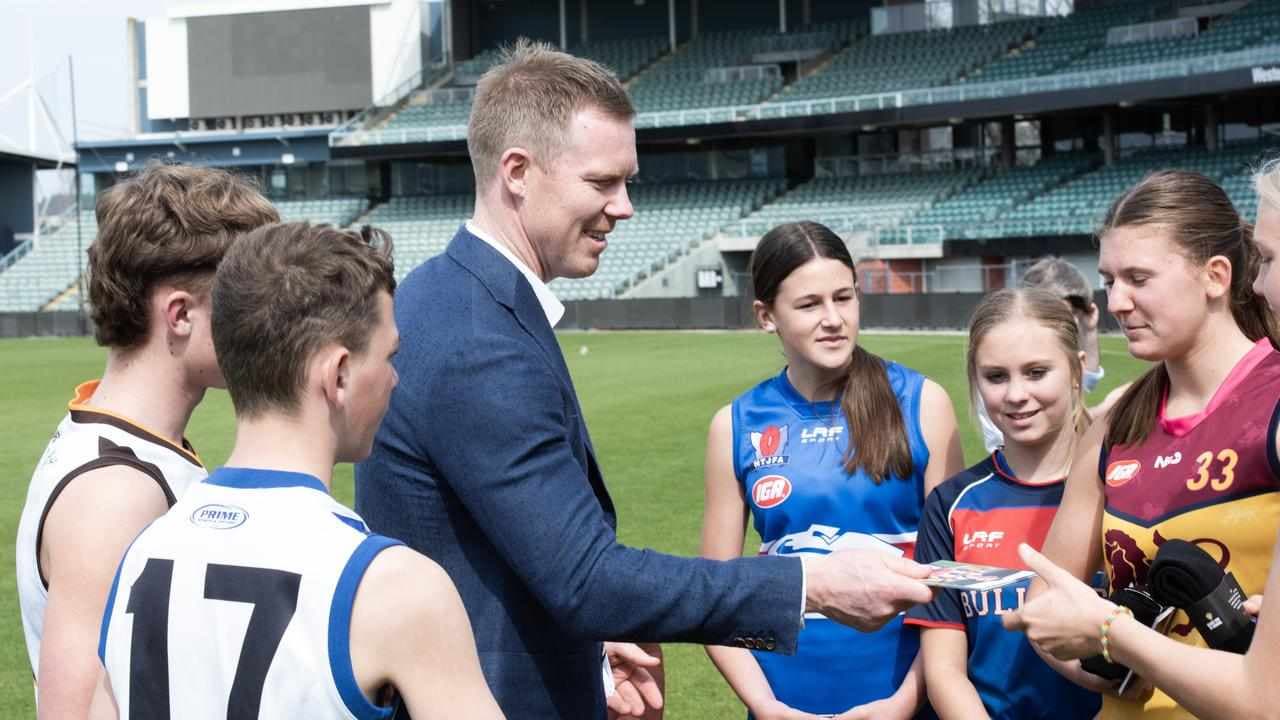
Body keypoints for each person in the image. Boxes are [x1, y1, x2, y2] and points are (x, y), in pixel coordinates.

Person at [354, 39, 938, 720]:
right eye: (603, 182)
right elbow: (585, 578)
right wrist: (809, 582)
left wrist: (593, 647)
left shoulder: (452, 299)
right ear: (517, 171)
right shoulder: (477, 338)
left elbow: (510, 562)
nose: (625, 206)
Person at [90, 222, 504, 719]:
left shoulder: (140, 556)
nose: (395, 377)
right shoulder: (394, 585)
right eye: (390, 356)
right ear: (340, 375)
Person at [15, 163, 278, 717]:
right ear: (180, 314)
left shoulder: (133, 450)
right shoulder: (116, 493)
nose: (266, 321)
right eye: (245, 301)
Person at [1017, 169, 1280, 719]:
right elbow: (1045, 600)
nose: (1116, 301)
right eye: (1109, 279)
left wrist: (1113, 635)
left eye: (1139, 277)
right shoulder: (1117, 422)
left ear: (1215, 276)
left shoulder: (1272, 405)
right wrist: (1108, 669)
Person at [699, 221, 963, 720]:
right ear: (765, 316)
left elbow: (950, 580)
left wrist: (903, 702)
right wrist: (765, 705)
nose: (833, 318)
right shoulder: (734, 426)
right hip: (785, 704)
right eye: (808, 305)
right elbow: (716, 596)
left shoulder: (922, 402)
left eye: (844, 298)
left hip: (906, 701)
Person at [905, 288, 1101, 720]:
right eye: (996, 376)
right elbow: (944, 669)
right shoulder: (951, 504)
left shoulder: (1119, 487)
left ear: (1076, 370)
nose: (1016, 394)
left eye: (1036, 372)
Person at [977, 256, 1124, 452]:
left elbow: (1085, 380)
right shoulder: (1005, 365)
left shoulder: (1057, 356)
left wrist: (1088, 332)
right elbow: (1033, 434)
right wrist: (1102, 412)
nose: (1064, 321)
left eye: (1071, 313)